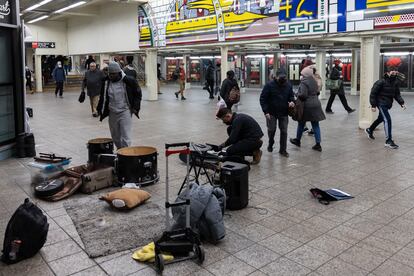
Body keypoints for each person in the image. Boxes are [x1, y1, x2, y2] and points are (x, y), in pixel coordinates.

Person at [97, 62, 142, 149]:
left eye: (113, 74)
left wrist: (136, 107)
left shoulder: (129, 81)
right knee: (115, 136)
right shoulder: (106, 82)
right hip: (112, 112)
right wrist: (100, 108)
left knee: (125, 135)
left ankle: (125, 154)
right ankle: (120, 150)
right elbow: (103, 96)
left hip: (125, 111)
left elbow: (138, 94)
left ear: (119, 72)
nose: (111, 76)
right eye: (110, 74)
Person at [365, 70, 406, 149]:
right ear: (387, 72)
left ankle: (370, 129)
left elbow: (397, 94)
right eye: (392, 71)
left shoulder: (395, 83)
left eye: (395, 72)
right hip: (380, 103)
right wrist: (373, 105)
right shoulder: (380, 82)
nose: (394, 73)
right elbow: (373, 93)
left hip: (387, 104)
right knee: (387, 119)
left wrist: (402, 103)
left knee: (381, 118)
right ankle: (388, 141)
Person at [260, 68, 295, 157]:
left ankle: (283, 150)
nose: (283, 80)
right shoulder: (269, 85)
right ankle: (271, 142)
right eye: (281, 78)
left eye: (284, 78)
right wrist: (266, 111)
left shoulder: (288, 85)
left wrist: (292, 102)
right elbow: (263, 99)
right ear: (276, 77)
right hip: (271, 112)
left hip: (284, 112)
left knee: (284, 131)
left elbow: (291, 96)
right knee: (272, 130)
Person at [290, 66, 326, 151]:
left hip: (307, 106)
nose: (301, 75)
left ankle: (297, 140)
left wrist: (296, 94)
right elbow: (317, 92)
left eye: (302, 74)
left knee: (301, 123)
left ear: (305, 74)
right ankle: (318, 144)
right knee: (315, 125)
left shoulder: (304, 82)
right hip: (316, 104)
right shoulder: (314, 80)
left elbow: (303, 95)